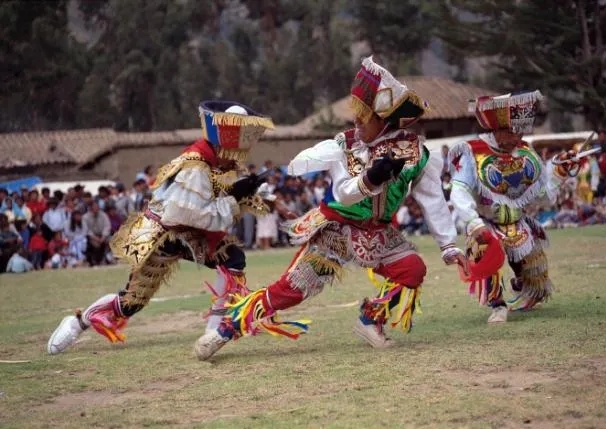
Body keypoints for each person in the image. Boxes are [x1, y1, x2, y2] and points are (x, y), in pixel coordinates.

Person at [194, 58, 464, 361]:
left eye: (364, 117)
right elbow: (338, 191)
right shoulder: (344, 147)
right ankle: (226, 330)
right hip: (334, 232)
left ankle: (370, 320)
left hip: (378, 234)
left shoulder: (416, 153)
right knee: (289, 292)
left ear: (384, 120)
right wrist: (368, 176)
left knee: (412, 269)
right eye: (356, 116)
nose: (356, 123)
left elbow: (432, 199)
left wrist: (449, 244)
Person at [47, 100, 275, 355]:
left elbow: (214, 199)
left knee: (233, 259)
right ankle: (78, 322)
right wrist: (234, 198)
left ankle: (214, 331)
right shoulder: (195, 165)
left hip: (191, 234)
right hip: (163, 235)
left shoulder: (223, 161)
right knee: (131, 302)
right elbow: (194, 214)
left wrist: (248, 191)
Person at [449, 90, 580, 323]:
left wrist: (559, 172)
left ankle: (524, 291)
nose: (517, 136)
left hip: (517, 221)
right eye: (511, 131)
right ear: (496, 129)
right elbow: (459, 190)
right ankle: (497, 304)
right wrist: (473, 222)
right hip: (486, 222)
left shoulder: (525, 152)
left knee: (533, 264)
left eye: (520, 130)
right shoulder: (473, 152)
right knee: (486, 251)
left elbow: (540, 194)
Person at [82, 201, 111, 266]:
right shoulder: (85, 217)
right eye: (94, 208)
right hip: (92, 237)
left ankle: (107, 259)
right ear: (90, 208)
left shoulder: (103, 215)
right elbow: (86, 230)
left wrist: (103, 236)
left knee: (110, 241)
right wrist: (95, 238)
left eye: (97, 207)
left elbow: (107, 226)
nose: (96, 209)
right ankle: (92, 261)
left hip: (103, 235)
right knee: (95, 244)